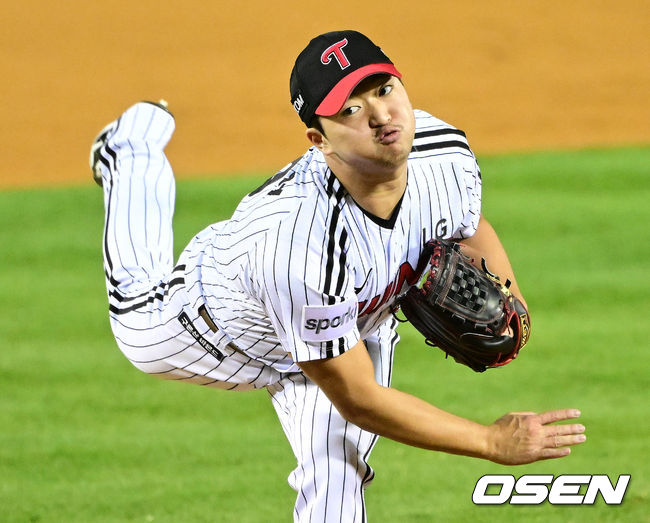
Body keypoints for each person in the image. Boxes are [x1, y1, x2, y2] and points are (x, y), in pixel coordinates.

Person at [91, 30, 586, 522]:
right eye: (350, 109)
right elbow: (360, 399)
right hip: (212, 328)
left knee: (337, 480)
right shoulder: (302, 247)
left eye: (384, 89)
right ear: (318, 139)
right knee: (135, 302)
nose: (380, 116)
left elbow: (467, 220)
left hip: (346, 332)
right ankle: (129, 151)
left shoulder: (444, 152)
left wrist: (512, 303)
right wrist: (490, 441)